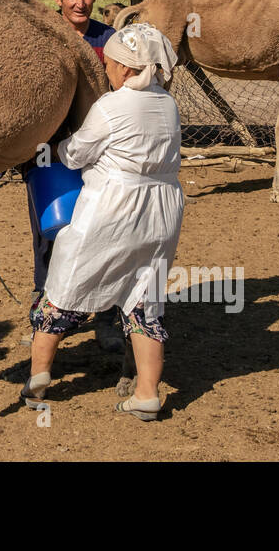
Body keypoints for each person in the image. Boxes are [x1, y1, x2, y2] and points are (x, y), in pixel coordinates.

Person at [21, 23, 184, 421]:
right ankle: (147, 393)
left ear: (127, 69)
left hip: (113, 208)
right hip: (162, 209)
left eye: (109, 63)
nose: (105, 71)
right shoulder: (168, 103)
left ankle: (39, 375)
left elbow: (76, 155)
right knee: (145, 302)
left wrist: (53, 147)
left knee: (64, 286)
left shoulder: (111, 107)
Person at [24, 0, 116, 326]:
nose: (81, 3)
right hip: (47, 152)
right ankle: (45, 307)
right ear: (57, 0)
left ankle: (106, 314)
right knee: (50, 231)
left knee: (101, 230)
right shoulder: (42, 38)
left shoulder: (108, 39)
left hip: (97, 153)